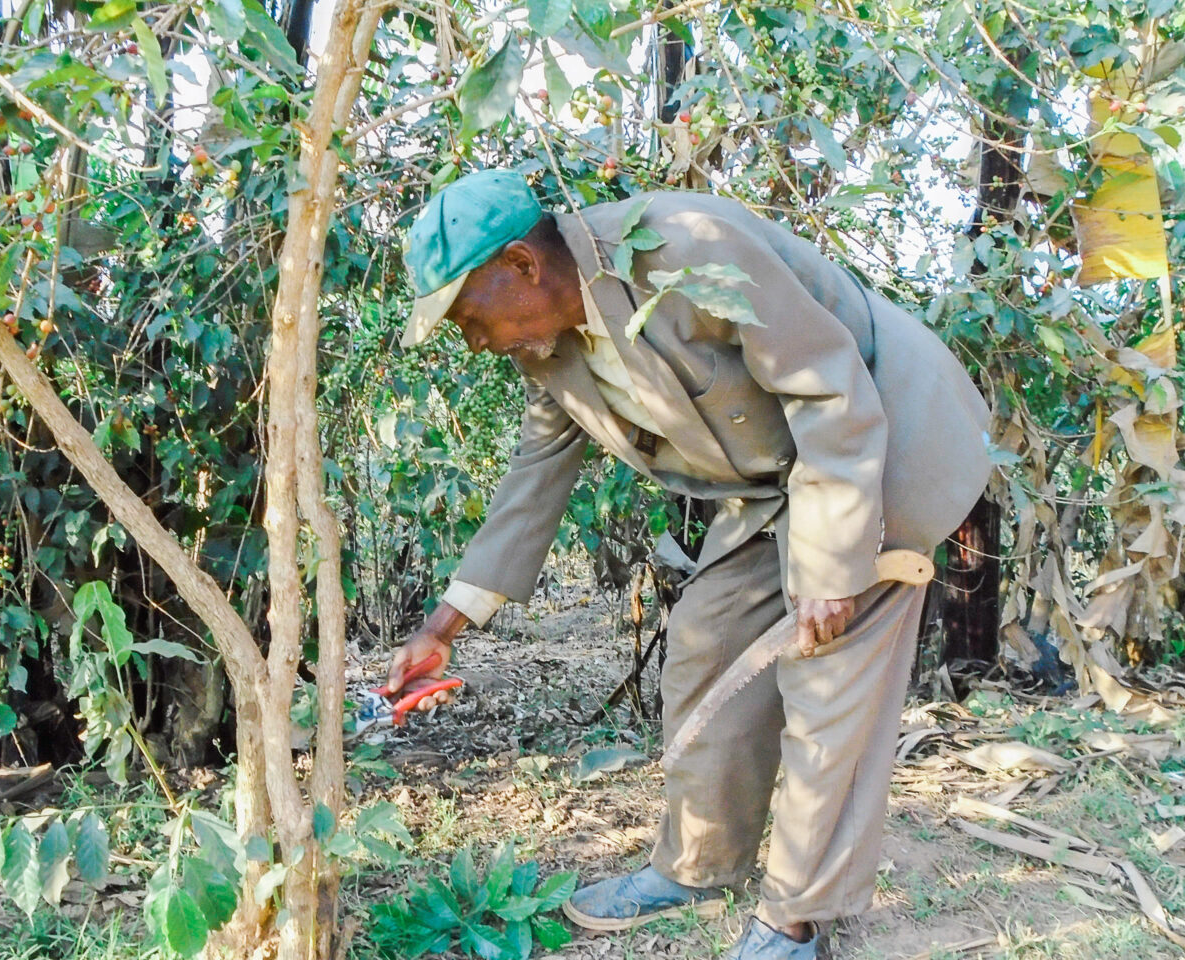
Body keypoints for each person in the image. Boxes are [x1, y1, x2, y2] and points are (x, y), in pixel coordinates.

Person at [384, 169, 991, 959]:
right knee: (706, 644)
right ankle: (698, 866)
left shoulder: (688, 251)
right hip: (777, 481)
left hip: (877, 437)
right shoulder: (549, 352)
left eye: (469, 315)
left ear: (522, 265)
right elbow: (536, 476)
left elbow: (829, 389)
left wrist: (832, 562)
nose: (474, 340)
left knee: (827, 669)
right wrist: (445, 625)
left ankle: (793, 920)